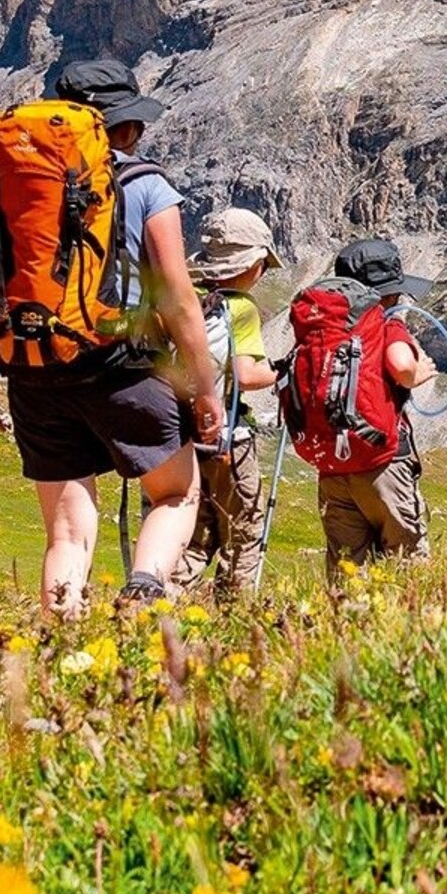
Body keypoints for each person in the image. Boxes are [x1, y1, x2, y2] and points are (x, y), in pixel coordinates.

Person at [0, 57, 223, 618]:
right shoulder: (148, 185)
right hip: (123, 365)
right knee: (176, 493)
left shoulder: (7, 195)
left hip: (34, 372)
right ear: (122, 127)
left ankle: (61, 637)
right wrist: (205, 390)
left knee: (66, 535)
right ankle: (145, 587)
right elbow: (177, 299)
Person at [306, 238, 438, 576]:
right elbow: (401, 366)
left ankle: (343, 625)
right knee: (406, 562)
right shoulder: (386, 323)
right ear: (390, 293)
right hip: (383, 463)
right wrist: (418, 372)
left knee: (346, 568)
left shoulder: (324, 326)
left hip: (334, 465)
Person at [171, 206, 281, 603]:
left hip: (178, 438)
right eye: (263, 264)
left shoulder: (183, 298)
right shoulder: (240, 307)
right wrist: (282, 372)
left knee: (194, 534)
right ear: (251, 264)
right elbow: (247, 375)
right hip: (227, 440)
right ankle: (234, 615)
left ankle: (163, 604)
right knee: (243, 529)